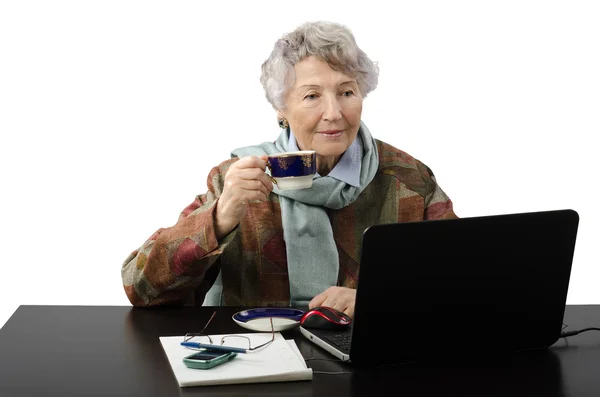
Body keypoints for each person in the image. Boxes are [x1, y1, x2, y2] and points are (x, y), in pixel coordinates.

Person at [121, 21, 457, 318]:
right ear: (282, 108)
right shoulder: (237, 178)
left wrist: (378, 301)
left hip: (369, 365)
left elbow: (466, 279)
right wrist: (220, 218)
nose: (334, 113)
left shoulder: (407, 180)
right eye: (312, 96)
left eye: (347, 92)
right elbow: (142, 288)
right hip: (256, 363)